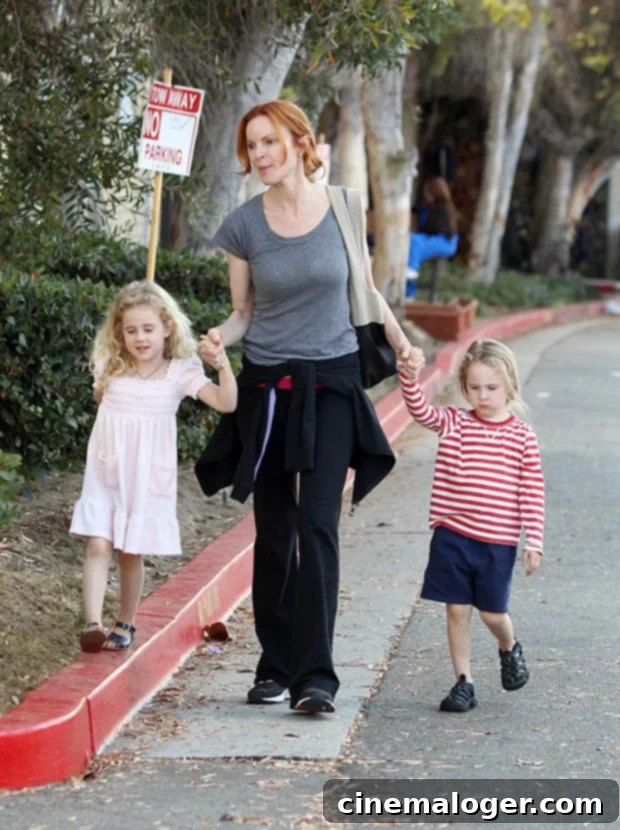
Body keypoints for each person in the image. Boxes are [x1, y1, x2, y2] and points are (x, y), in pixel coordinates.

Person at [196, 99, 415, 715]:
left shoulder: (344, 205)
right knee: (275, 531)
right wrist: (218, 337)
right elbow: (244, 313)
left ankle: (316, 677)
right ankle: (275, 662)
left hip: (334, 386)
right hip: (267, 392)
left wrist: (402, 345)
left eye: (268, 142)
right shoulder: (243, 226)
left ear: (298, 140)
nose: (260, 155)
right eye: (251, 147)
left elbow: (366, 288)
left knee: (318, 526)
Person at [70, 281, 237, 653]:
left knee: (131, 549)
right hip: (106, 469)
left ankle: (125, 621)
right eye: (131, 330)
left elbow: (226, 403)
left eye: (148, 329)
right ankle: (92, 623)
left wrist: (223, 365)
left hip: (146, 473)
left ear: (167, 327)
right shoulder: (110, 365)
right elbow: (102, 400)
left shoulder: (179, 371)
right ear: (119, 332)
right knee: (98, 543)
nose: (140, 338)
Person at [398, 339, 544, 712]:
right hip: (453, 536)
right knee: (456, 610)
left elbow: (532, 491)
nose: (483, 396)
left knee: (492, 614)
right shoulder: (454, 422)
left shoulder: (521, 436)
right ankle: (464, 682)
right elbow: (420, 411)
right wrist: (410, 376)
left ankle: (508, 646)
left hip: (497, 542)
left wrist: (534, 540)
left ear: (509, 385)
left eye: (492, 388)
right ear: (464, 387)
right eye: (474, 388)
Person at [406, 176, 459, 299]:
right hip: (430, 239)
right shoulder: (427, 208)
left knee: (414, 241)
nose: (425, 195)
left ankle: (411, 271)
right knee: (410, 245)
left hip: (444, 241)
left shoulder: (445, 208)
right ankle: (409, 293)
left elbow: (438, 229)